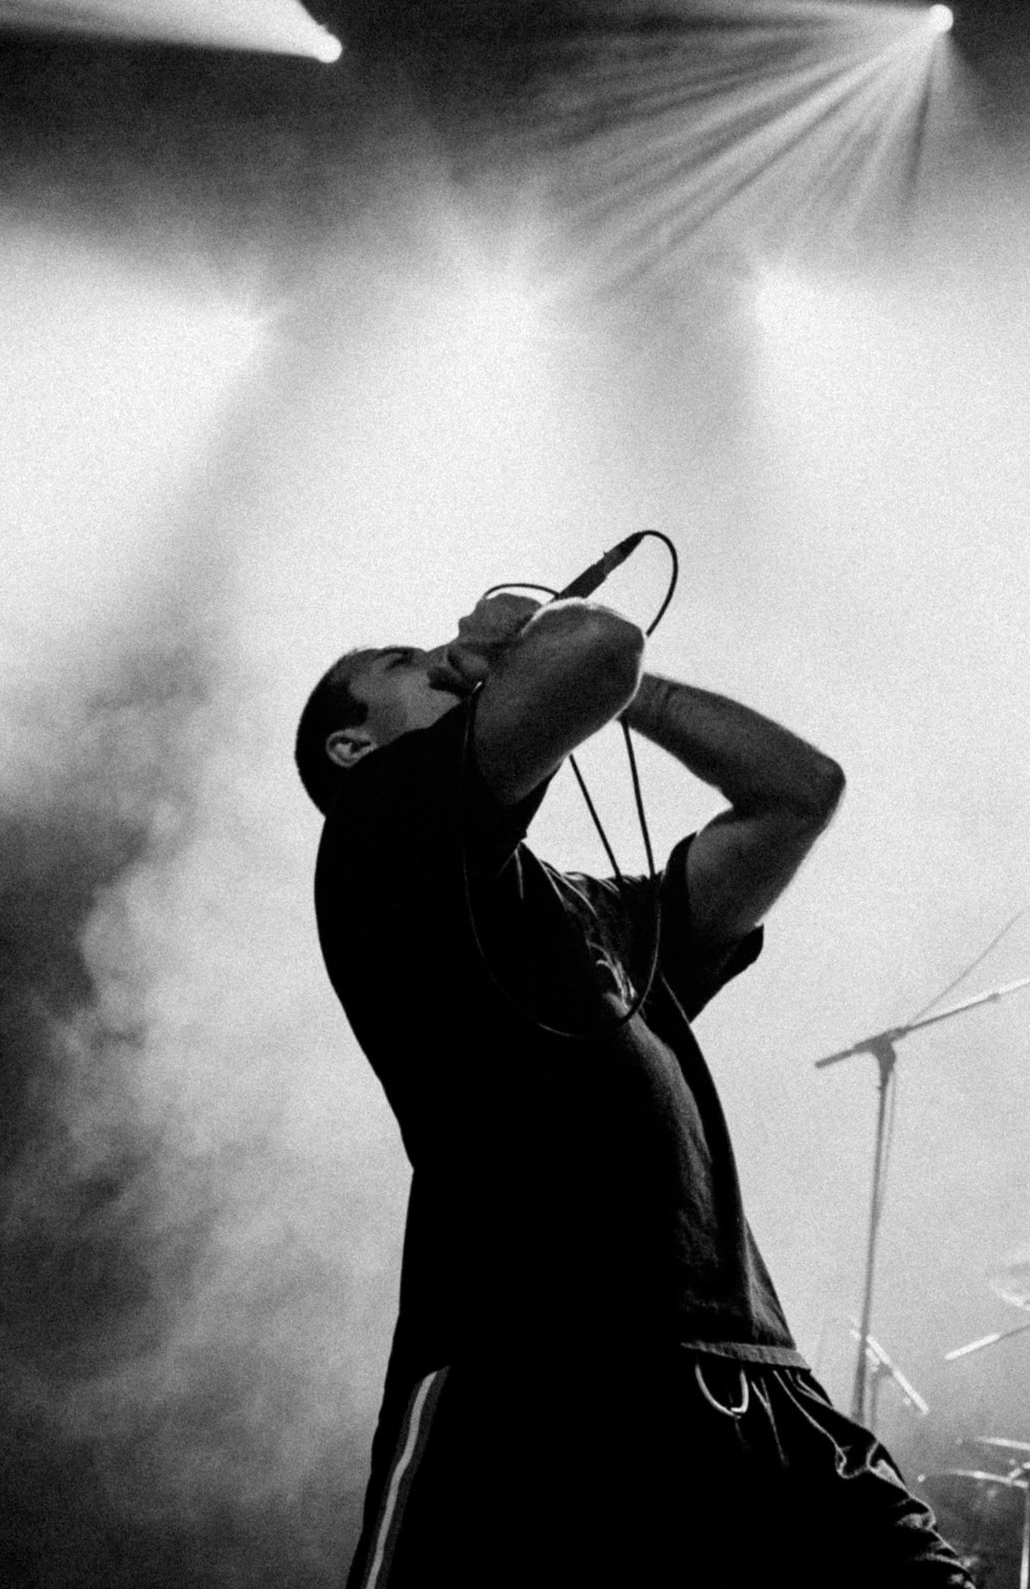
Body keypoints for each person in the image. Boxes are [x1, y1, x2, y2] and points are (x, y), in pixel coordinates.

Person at [297, 588, 970, 1588]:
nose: (435, 658)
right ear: (353, 745)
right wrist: (516, 649)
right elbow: (594, 647)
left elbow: (797, 791)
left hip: (754, 1384)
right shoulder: (379, 840)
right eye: (403, 662)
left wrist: (630, 694)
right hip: (536, 1378)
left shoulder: (590, 913)